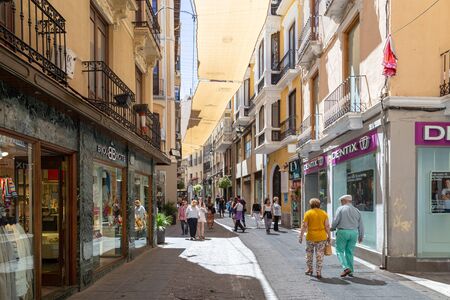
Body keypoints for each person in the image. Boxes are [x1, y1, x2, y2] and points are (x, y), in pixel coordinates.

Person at [331, 194, 364, 277]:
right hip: (354, 233)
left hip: (343, 232)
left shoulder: (341, 209)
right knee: (350, 252)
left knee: (339, 250)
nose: (341, 203)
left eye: (341, 201)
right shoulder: (357, 210)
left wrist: (332, 228)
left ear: (345, 201)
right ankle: (351, 271)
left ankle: (346, 268)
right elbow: (361, 224)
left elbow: (336, 220)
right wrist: (361, 236)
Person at [299, 198, 330, 279]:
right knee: (320, 255)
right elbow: (327, 226)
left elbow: (304, 226)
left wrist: (301, 236)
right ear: (319, 204)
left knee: (309, 254)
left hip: (311, 237)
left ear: (311, 204)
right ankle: (318, 271)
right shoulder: (324, 213)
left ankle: (310, 269)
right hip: (322, 237)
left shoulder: (308, 213)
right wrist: (329, 236)